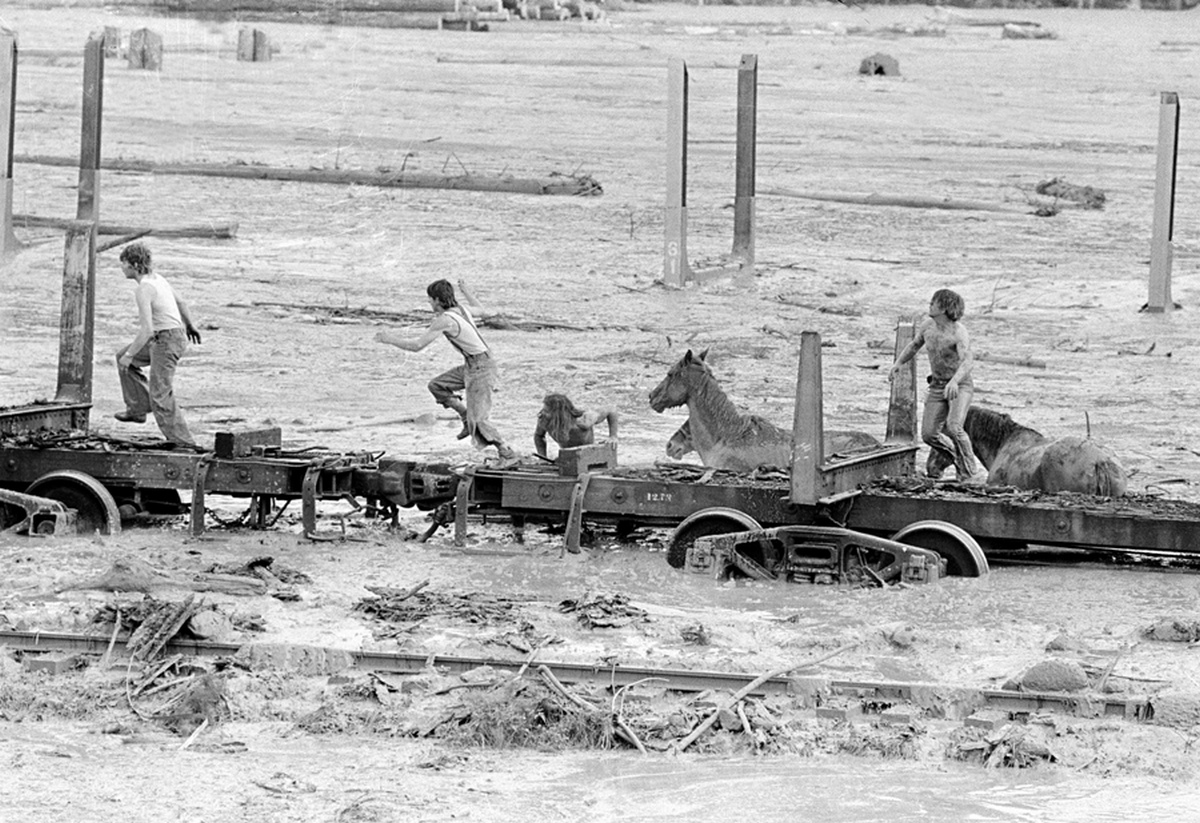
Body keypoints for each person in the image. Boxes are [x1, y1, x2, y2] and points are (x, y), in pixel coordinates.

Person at [376, 278, 518, 466]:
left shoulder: (445, 320)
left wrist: (390, 339)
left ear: (436, 299)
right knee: (437, 386)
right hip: (474, 363)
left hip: (481, 368)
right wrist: (466, 291)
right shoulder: (461, 310)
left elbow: (417, 345)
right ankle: (464, 417)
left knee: (480, 419)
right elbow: (482, 310)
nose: (429, 303)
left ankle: (506, 453)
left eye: (429, 299)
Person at [889, 288, 987, 484]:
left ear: (944, 308)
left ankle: (971, 473)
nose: (930, 306)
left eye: (933, 303)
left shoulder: (958, 333)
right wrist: (898, 363)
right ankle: (955, 458)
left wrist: (954, 381)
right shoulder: (928, 326)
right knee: (929, 434)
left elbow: (968, 361)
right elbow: (914, 346)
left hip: (959, 385)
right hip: (937, 384)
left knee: (954, 426)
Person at [114, 242, 199, 448]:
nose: (121, 267)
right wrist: (190, 325)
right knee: (121, 357)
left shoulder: (144, 289)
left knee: (160, 393)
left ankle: (183, 444)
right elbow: (181, 303)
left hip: (165, 340)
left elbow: (147, 330)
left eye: (123, 263)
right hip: (171, 336)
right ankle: (137, 410)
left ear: (134, 264)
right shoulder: (159, 278)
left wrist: (131, 354)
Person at [533, 393, 619, 458]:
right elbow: (539, 435)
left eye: (546, 411)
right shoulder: (544, 420)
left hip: (588, 454)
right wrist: (542, 457)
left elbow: (611, 409)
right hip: (567, 455)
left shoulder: (583, 420)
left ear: (557, 414)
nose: (542, 413)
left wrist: (613, 436)